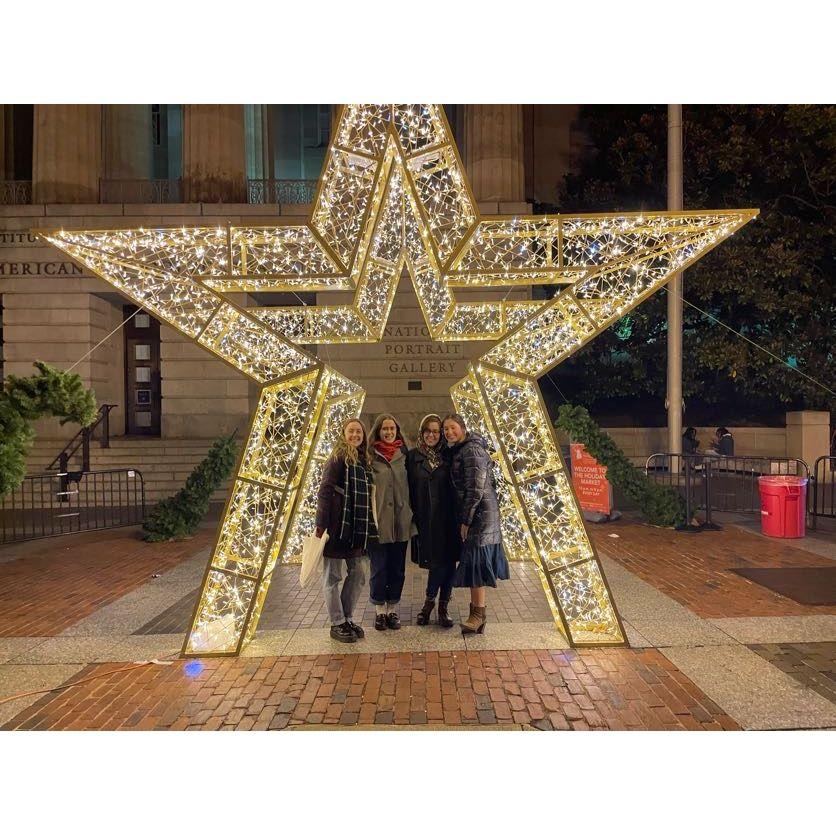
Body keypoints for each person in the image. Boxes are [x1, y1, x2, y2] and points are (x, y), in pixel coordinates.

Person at [442, 413, 509, 635]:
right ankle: (477, 615)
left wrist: (466, 520)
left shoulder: (471, 450)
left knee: (476, 567)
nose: (449, 433)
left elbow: (476, 489)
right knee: (474, 566)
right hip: (480, 516)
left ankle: (478, 616)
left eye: (452, 428)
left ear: (462, 428)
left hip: (480, 518)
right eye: (446, 430)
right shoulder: (463, 449)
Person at [315, 418, 376, 644]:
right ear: (344, 434)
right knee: (332, 576)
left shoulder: (363, 461)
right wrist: (321, 525)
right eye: (351, 431)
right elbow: (324, 491)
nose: (355, 435)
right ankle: (337, 622)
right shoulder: (337, 457)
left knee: (359, 572)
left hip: (356, 527)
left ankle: (347, 617)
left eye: (359, 432)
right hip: (336, 525)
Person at [406, 414, 460, 628]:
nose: (432, 435)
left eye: (436, 431)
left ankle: (439, 606)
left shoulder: (450, 455)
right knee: (438, 563)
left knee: (449, 564)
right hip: (426, 520)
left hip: (450, 521)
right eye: (427, 431)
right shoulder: (413, 457)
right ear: (422, 433)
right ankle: (431, 604)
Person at [368, 413, 413, 631]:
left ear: (397, 431)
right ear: (378, 431)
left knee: (397, 569)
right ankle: (379, 611)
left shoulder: (405, 456)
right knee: (378, 569)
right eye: (384, 429)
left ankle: (392, 609)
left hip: (401, 523)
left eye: (392, 429)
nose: (388, 432)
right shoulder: (370, 457)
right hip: (378, 525)